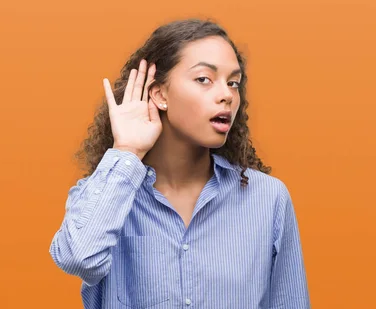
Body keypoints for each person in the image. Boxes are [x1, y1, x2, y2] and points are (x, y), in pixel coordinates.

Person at [49, 19, 310, 309]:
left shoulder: (268, 198)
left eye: (233, 83)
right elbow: (78, 259)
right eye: (204, 79)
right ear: (160, 95)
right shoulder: (106, 196)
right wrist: (127, 150)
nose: (226, 95)